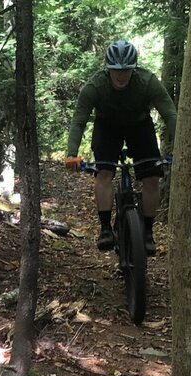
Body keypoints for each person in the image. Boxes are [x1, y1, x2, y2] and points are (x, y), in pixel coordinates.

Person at [65, 39, 176, 256]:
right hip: (107, 127)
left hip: (139, 126)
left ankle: (147, 231)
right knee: (104, 172)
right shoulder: (95, 86)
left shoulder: (147, 81)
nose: (121, 75)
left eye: (126, 70)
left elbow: (170, 114)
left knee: (151, 176)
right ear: (108, 69)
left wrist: (183, 146)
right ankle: (106, 229)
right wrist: (71, 154)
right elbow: (79, 120)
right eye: (116, 70)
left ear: (133, 69)